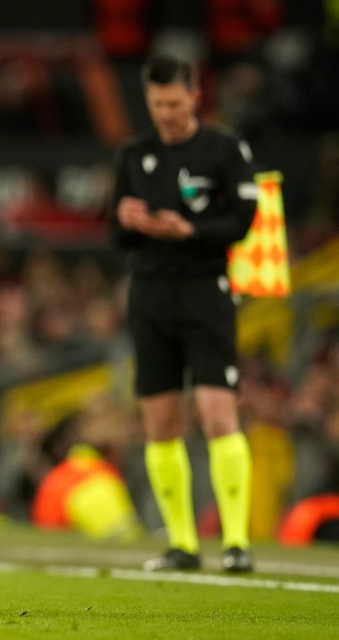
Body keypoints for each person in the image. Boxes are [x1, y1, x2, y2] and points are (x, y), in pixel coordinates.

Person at [110, 54, 258, 572]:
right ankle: (182, 544)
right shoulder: (135, 153)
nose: (168, 113)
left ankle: (236, 542)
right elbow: (114, 231)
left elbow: (244, 220)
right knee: (160, 420)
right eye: (158, 105)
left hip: (205, 289)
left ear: (194, 96)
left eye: (175, 103)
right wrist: (126, 219)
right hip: (150, 294)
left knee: (219, 412)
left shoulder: (224, 148)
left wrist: (190, 231)